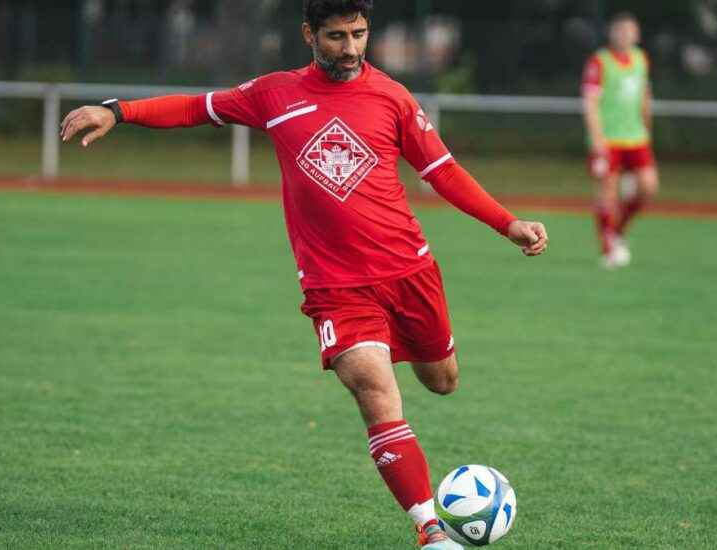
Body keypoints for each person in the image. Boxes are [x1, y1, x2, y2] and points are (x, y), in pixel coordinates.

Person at [60, 1, 548, 548]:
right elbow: (197, 107)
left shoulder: (391, 97)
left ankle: (421, 437)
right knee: (375, 391)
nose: (350, 48)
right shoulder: (273, 93)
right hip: (334, 287)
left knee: (443, 380)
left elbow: (444, 172)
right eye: (336, 36)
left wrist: (508, 223)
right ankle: (430, 529)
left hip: (409, 271)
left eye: (359, 34)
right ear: (309, 35)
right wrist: (118, 111)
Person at [582, 11, 659, 269]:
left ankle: (617, 231)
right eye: (620, 30)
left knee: (648, 188)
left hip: (636, 137)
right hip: (609, 139)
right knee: (608, 194)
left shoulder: (641, 59)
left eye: (629, 30)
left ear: (636, 34)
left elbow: (645, 97)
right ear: (611, 33)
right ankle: (608, 247)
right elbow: (590, 103)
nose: (625, 34)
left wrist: (647, 128)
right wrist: (596, 140)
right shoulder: (599, 61)